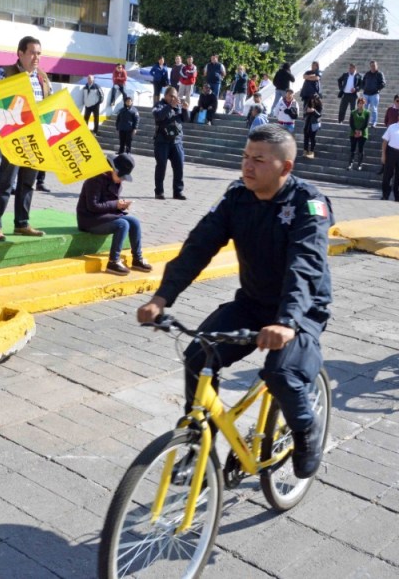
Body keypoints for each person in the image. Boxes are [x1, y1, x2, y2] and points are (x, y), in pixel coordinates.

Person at [136, 123, 333, 480]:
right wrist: (162, 298)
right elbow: (199, 246)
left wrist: (287, 322)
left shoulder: (309, 203)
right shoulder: (236, 197)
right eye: (245, 157)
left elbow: (304, 265)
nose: (247, 166)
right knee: (199, 354)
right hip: (253, 303)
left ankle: (306, 434)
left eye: (259, 160)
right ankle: (198, 441)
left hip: (301, 311)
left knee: (281, 372)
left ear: (285, 168)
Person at [0, 35, 51, 240]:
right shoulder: (4, 72)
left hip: (34, 139)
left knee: (28, 182)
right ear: (20, 53)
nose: (36, 57)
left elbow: (48, 106)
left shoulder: (42, 77)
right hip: (11, 137)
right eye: (32, 52)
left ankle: (21, 223)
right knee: (6, 182)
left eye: (39, 53)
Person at [77, 153, 152, 275]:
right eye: (121, 176)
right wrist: (116, 204)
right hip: (89, 219)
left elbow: (110, 204)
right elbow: (93, 206)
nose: (122, 179)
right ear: (113, 169)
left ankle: (137, 258)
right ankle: (113, 261)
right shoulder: (95, 179)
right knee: (122, 224)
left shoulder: (115, 181)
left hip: (102, 216)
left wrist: (121, 206)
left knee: (134, 221)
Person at [152, 86, 188, 201]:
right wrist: (169, 106)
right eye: (171, 96)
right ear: (165, 95)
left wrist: (185, 109)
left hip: (176, 141)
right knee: (161, 166)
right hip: (162, 141)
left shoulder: (177, 106)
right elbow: (159, 116)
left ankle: (178, 191)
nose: (174, 98)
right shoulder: (159, 105)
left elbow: (185, 119)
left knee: (179, 166)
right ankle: (159, 191)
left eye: (175, 96)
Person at [348, 96, 370, 170]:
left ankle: (360, 164)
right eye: (360, 103)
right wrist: (355, 130)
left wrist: (360, 130)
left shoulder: (367, 112)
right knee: (352, 148)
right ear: (357, 104)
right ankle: (350, 163)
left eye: (362, 103)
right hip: (353, 133)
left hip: (363, 133)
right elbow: (351, 122)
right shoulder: (353, 112)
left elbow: (366, 123)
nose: (361, 105)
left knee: (361, 148)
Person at [363, 60, 386, 128]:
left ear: (377, 66)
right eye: (371, 66)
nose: (373, 67)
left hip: (374, 94)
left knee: (374, 109)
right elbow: (363, 81)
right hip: (366, 94)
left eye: (374, 66)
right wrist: (364, 87)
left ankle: (374, 122)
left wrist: (377, 89)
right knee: (365, 109)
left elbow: (383, 83)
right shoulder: (367, 74)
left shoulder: (379, 74)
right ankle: (365, 122)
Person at [302, 94, 322, 159]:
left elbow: (319, 115)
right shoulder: (308, 104)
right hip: (307, 123)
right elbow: (304, 114)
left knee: (312, 138)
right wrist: (307, 112)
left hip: (314, 124)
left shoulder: (319, 106)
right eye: (312, 99)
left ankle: (311, 152)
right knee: (306, 137)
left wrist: (313, 111)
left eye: (315, 99)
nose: (313, 100)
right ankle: (305, 151)